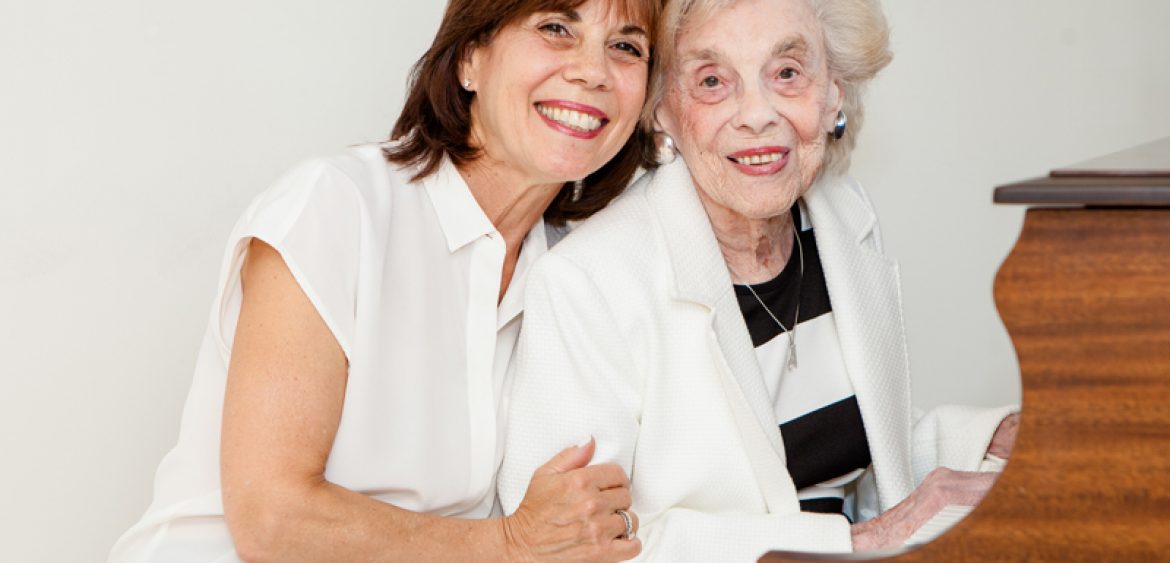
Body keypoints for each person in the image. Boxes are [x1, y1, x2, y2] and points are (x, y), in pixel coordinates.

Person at [109, 0, 662, 560]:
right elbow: (273, 519)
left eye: (626, 47)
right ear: (470, 58)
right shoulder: (335, 208)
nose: (593, 71)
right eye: (556, 28)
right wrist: (512, 544)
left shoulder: (578, 273)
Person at [498, 0, 1019, 559]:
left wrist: (989, 439)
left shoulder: (842, 219)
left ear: (834, 94)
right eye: (712, 81)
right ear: (662, 110)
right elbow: (576, 545)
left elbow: (857, 452)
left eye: (787, 73)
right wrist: (853, 540)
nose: (756, 114)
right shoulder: (587, 282)